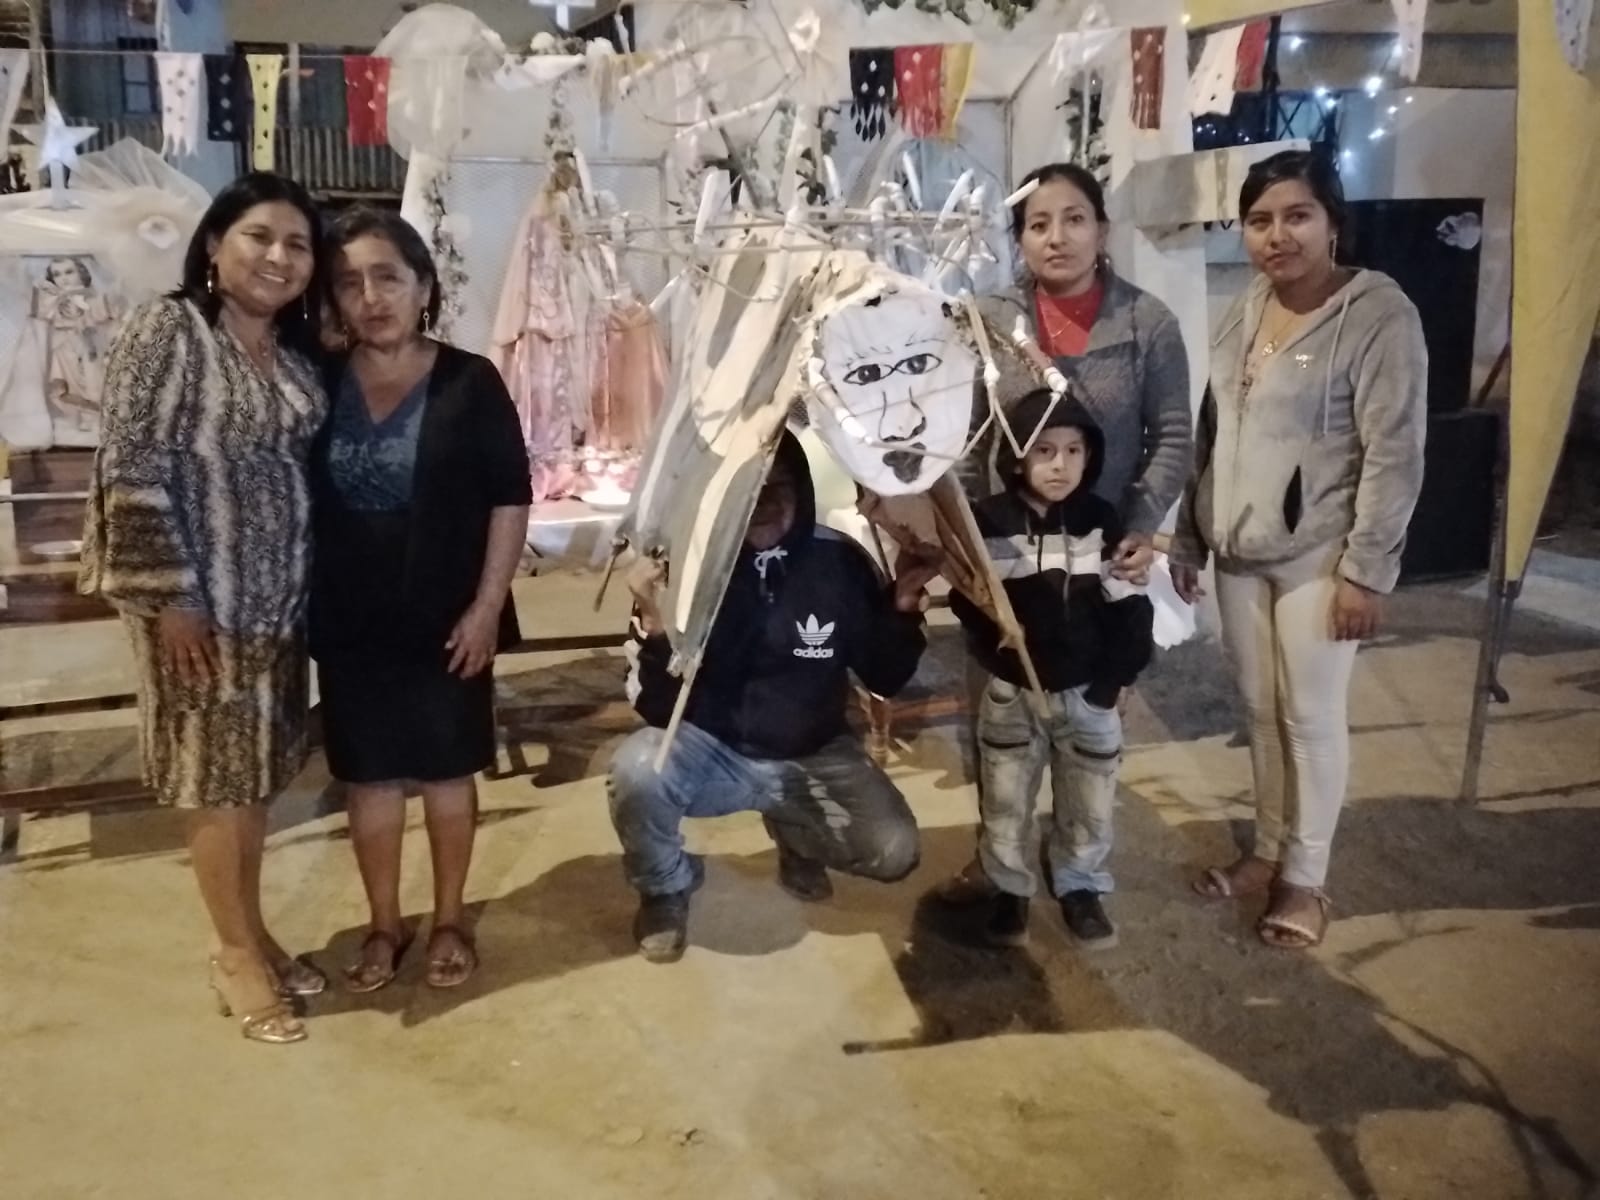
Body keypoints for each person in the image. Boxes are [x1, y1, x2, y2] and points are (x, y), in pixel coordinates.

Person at [79, 173, 329, 1044]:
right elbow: (132, 464)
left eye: (298, 244)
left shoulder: (292, 352)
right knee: (215, 786)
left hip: (275, 608)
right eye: (259, 236)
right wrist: (172, 600)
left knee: (252, 780)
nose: (279, 257)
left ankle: (251, 932)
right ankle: (231, 954)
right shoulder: (171, 329)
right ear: (216, 245)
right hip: (199, 608)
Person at [1170, 150, 1428, 949]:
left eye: (1296, 216)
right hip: (1237, 549)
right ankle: (1269, 852)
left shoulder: (1380, 314)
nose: (1277, 236)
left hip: (1321, 554)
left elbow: (1395, 452)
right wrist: (1189, 534)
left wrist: (1366, 572)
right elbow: (1211, 430)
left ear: (1332, 221)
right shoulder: (1246, 306)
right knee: (1258, 710)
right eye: (1259, 221)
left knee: (1310, 717)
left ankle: (1306, 881)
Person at [607, 431, 940, 964]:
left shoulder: (840, 562)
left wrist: (901, 608)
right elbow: (656, 709)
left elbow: (884, 675)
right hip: (715, 748)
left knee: (892, 850)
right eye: (747, 489)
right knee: (638, 771)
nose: (762, 503)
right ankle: (664, 887)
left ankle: (796, 834)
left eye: (777, 487)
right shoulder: (685, 567)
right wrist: (653, 619)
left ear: (802, 490)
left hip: (816, 749)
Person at [309, 206, 532, 992]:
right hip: (350, 615)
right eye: (349, 283)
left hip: (448, 615)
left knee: (444, 771)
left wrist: (486, 606)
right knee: (368, 776)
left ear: (424, 286)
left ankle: (447, 920)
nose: (371, 297)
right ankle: (383, 926)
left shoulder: (471, 381)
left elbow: (510, 496)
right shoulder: (318, 380)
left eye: (388, 277)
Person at [947, 389, 1154, 949]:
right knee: (1005, 797)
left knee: (1090, 799)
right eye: (1044, 451)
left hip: (1089, 692)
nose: (1060, 464)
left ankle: (1080, 883)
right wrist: (986, 623)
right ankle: (1008, 886)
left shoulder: (1099, 520)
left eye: (1073, 451)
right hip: (1012, 690)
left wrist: (1114, 683)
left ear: (1091, 457)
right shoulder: (988, 522)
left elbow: (1128, 606)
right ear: (1017, 458)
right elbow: (970, 602)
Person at [968, 161, 1192, 576]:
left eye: (1074, 220)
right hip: (1009, 551)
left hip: (1108, 547)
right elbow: (970, 440)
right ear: (1019, 239)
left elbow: (1172, 437)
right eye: (1038, 225)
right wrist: (971, 531)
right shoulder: (990, 320)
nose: (1057, 238)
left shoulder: (1147, 322)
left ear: (1101, 231)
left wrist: (1141, 524)